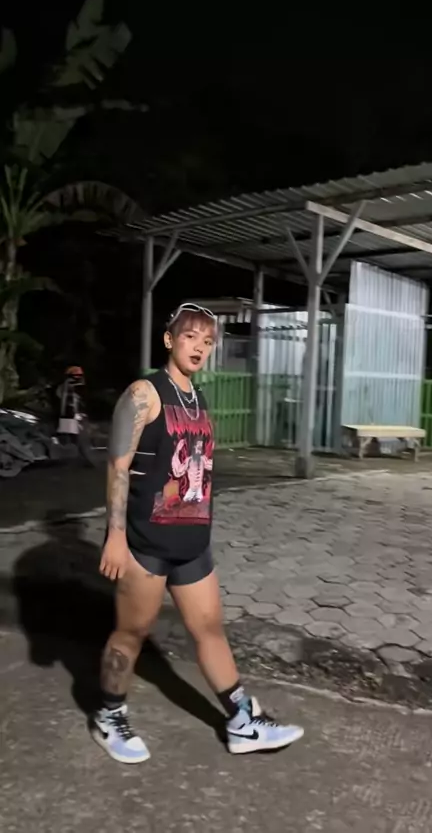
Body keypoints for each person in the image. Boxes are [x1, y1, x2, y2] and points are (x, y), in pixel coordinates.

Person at [91, 303, 304, 763]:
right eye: (191, 337)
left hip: (191, 544)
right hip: (145, 543)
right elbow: (118, 466)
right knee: (131, 633)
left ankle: (242, 722)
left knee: (209, 629)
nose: (200, 348)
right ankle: (109, 716)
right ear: (169, 339)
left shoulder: (197, 398)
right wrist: (115, 536)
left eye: (208, 342)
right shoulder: (144, 393)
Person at [56, 366, 95, 466]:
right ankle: (82, 458)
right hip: (72, 415)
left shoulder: (72, 387)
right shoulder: (68, 387)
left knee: (77, 437)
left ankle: (83, 457)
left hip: (72, 415)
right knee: (76, 437)